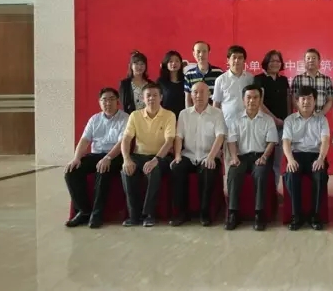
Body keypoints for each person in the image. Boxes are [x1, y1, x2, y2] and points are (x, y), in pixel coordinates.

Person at [64, 87, 129, 228]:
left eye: (111, 99)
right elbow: (84, 140)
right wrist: (76, 158)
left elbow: (122, 143)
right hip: (96, 155)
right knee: (71, 171)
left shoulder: (125, 118)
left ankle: (97, 214)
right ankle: (83, 211)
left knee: (103, 170)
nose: (108, 103)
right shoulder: (94, 119)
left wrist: (108, 158)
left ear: (118, 102)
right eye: (104, 100)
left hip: (115, 156)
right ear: (99, 102)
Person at [169, 82, 227, 227]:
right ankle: (181, 213)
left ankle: (204, 213)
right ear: (191, 95)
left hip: (208, 155)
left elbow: (220, 136)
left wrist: (211, 156)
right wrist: (177, 155)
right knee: (177, 168)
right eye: (195, 92)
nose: (198, 95)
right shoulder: (184, 114)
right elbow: (178, 137)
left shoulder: (217, 113)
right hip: (188, 155)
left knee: (208, 170)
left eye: (202, 92)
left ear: (209, 95)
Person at [120, 82, 176, 227]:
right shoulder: (135, 115)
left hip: (161, 156)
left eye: (155, 95)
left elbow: (169, 141)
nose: (152, 98)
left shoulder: (169, 115)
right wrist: (126, 159)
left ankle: (149, 214)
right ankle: (134, 215)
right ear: (143, 98)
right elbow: (126, 139)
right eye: (148, 96)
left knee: (154, 170)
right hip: (139, 155)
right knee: (126, 171)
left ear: (161, 97)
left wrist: (156, 159)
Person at [225, 85, 278, 231]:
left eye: (255, 97)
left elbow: (271, 142)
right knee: (233, 172)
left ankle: (259, 213)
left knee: (260, 173)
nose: (252, 101)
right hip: (241, 157)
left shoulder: (268, 120)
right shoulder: (235, 120)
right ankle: (233, 213)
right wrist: (234, 157)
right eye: (248, 97)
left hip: (260, 156)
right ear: (243, 100)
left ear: (260, 100)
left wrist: (264, 157)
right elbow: (231, 141)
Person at [283, 86, 330, 231]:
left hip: (315, 156)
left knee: (320, 175)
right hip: (296, 155)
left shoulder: (322, 120)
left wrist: (321, 158)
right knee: (291, 175)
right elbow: (286, 142)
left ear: (315, 101)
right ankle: (296, 215)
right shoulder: (290, 120)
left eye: (310, 98)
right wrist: (290, 159)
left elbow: (325, 140)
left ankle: (315, 215)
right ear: (297, 101)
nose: (306, 102)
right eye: (303, 99)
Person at [254, 50, 291, 187]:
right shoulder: (259, 79)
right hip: (264, 125)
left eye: (278, 61)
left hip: (282, 126)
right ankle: (263, 191)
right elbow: (259, 103)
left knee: (277, 162)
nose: (275, 63)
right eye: (272, 61)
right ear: (266, 63)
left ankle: (274, 191)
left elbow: (288, 100)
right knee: (264, 160)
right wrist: (274, 119)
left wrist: (287, 120)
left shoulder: (283, 80)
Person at [290, 48, 333, 115]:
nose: (311, 60)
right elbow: (294, 99)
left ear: (319, 61)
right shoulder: (297, 79)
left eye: (314, 58)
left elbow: (330, 100)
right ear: (304, 61)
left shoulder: (326, 80)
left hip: (320, 117)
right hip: (302, 118)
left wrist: (320, 114)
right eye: (308, 58)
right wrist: (304, 114)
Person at [184, 41, 223, 106]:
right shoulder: (189, 75)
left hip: (214, 111)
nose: (201, 54)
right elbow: (188, 100)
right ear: (194, 54)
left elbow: (221, 97)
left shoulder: (218, 73)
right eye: (198, 51)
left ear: (208, 53)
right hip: (195, 111)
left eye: (204, 51)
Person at [156, 50, 186, 119]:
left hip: (183, 118)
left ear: (181, 63)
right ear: (166, 64)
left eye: (177, 61)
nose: (174, 63)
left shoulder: (186, 80)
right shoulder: (161, 81)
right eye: (170, 61)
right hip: (165, 118)